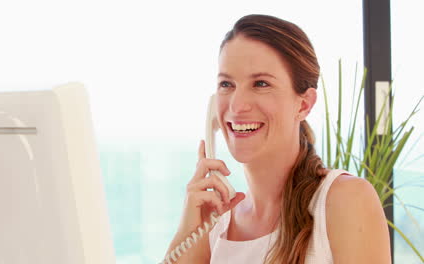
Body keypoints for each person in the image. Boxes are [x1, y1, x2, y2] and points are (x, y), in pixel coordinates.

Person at [163, 14, 391, 264]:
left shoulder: (344, 200)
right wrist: (188, 230)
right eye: (227, 84)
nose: (237, 106)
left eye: (260, 83)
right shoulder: (215, 226)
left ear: (304, 105)